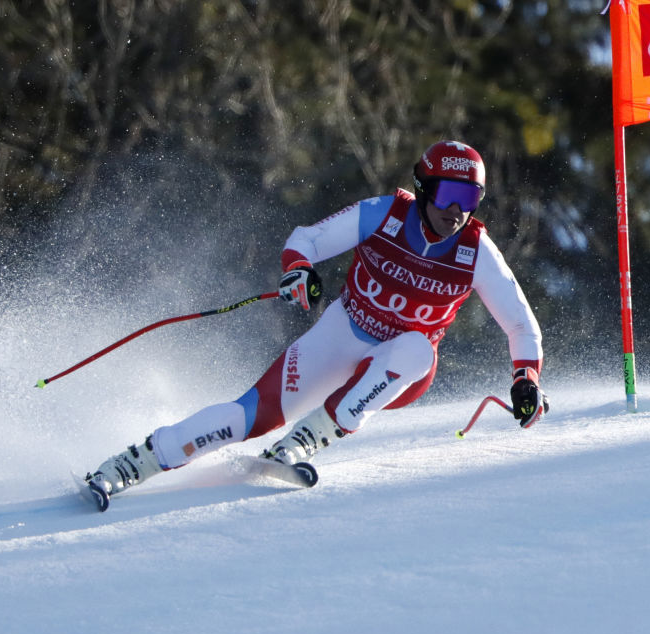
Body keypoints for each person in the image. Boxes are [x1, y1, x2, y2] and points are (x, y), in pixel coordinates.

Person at [86, 140, 547, 506]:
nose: (457, 210)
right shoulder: (385, 214)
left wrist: (525, 380)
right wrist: (298, 270)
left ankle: (305, 441)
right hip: (343, 333)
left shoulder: (476, 251)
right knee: (248, 416)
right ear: (426, 189)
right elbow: (306, 239)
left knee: (416, 348)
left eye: (470, 198)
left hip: (400, 368)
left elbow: (521, 325)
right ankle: (130, 465)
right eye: (449, 194)